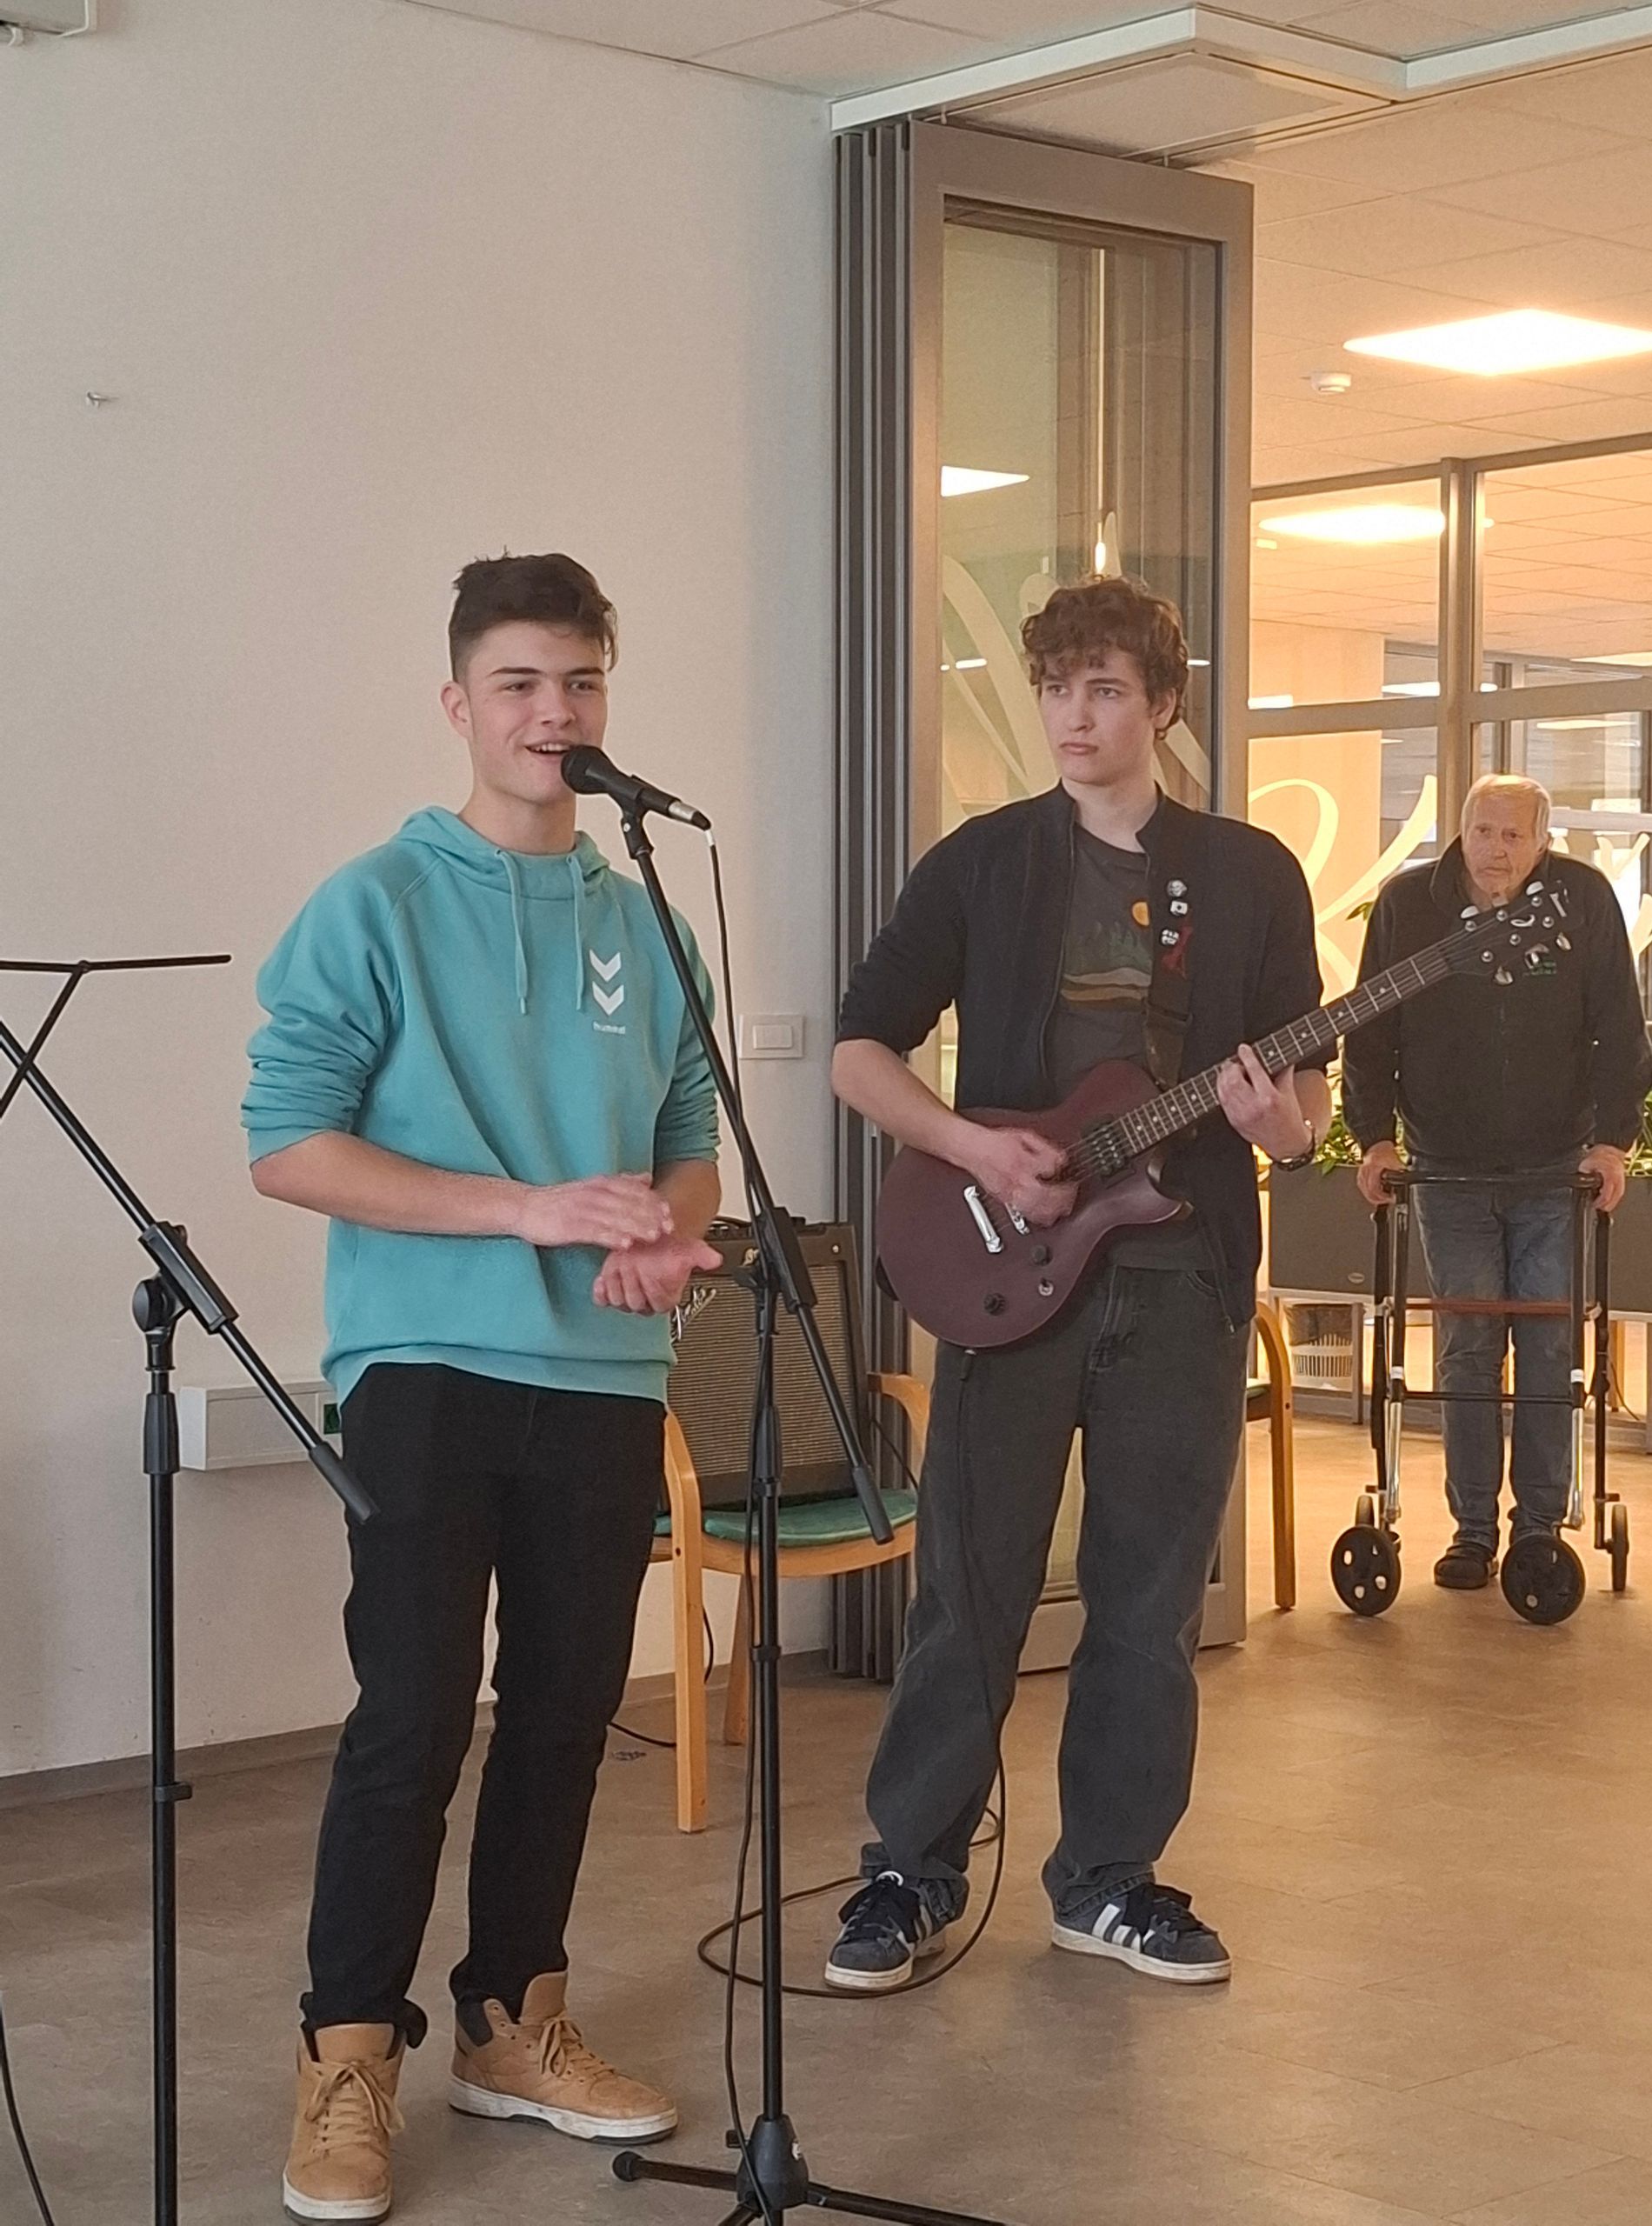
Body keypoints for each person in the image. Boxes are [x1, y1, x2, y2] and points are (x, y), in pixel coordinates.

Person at [244, 554, 722, 2225]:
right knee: (414, 1717)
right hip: (425, 1369)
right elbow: (289, 1148)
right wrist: (526, 1210)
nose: (554, 712)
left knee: (571, 1711)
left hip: (604, 1375)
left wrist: (669, 1236)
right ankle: (345, 2056)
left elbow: (686, 1136)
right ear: (459, 703)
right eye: (519, 683)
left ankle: (513, 2022)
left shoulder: (643, 915)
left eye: (581, 682)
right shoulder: (373, 901)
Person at [824, 576, 1331, 1994]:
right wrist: (974, 1146)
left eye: (1104, 689)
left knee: (1148, 1598)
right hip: (1011, 1273)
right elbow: (861, 1051)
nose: (1072, 715)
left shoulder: (1250, 876)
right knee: (968, 1590)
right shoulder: (984, 864)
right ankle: (910, 1871)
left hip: (1182, 1281)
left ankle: (1108, 1879)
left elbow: (1301, 1111)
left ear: (1163, 706)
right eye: (1056, 688)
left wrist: (1278, 1129)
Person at [1344, 772, 1650, 1591]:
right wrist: (1373, 1138)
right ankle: (1472, 1530)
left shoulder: (1582, 902)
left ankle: (1538, 1529)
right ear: (1463, 829)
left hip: (1556, 1168)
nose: (1496, 850)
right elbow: (1370, 1032)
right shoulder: (1409, 906)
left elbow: (1618, 1028)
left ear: (1543, 841)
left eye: (1515, 835)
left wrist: (1613, 1143)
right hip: (1444, 1165)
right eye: (1484, 831)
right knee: (1468, 1348)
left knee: (1549, 1348)